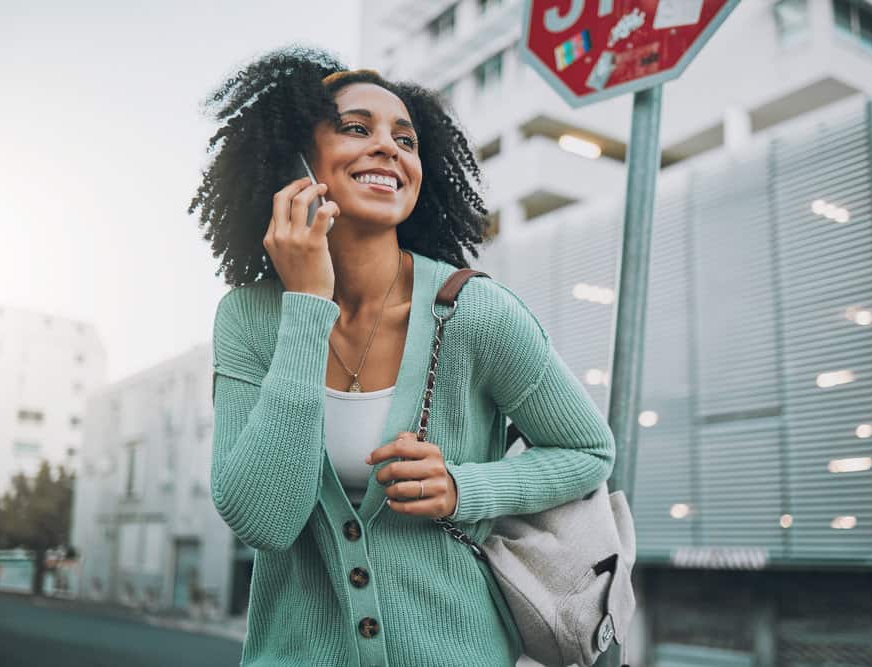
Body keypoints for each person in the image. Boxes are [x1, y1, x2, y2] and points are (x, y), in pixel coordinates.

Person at [191, 45, 617, 666]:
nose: (389, 148)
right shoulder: (251, 318)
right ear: (297, 163)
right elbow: (263, 519)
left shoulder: (476, 314)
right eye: (356, 129)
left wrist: (463, 489)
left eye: (406, 139)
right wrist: (308, 305)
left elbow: (588, 451)